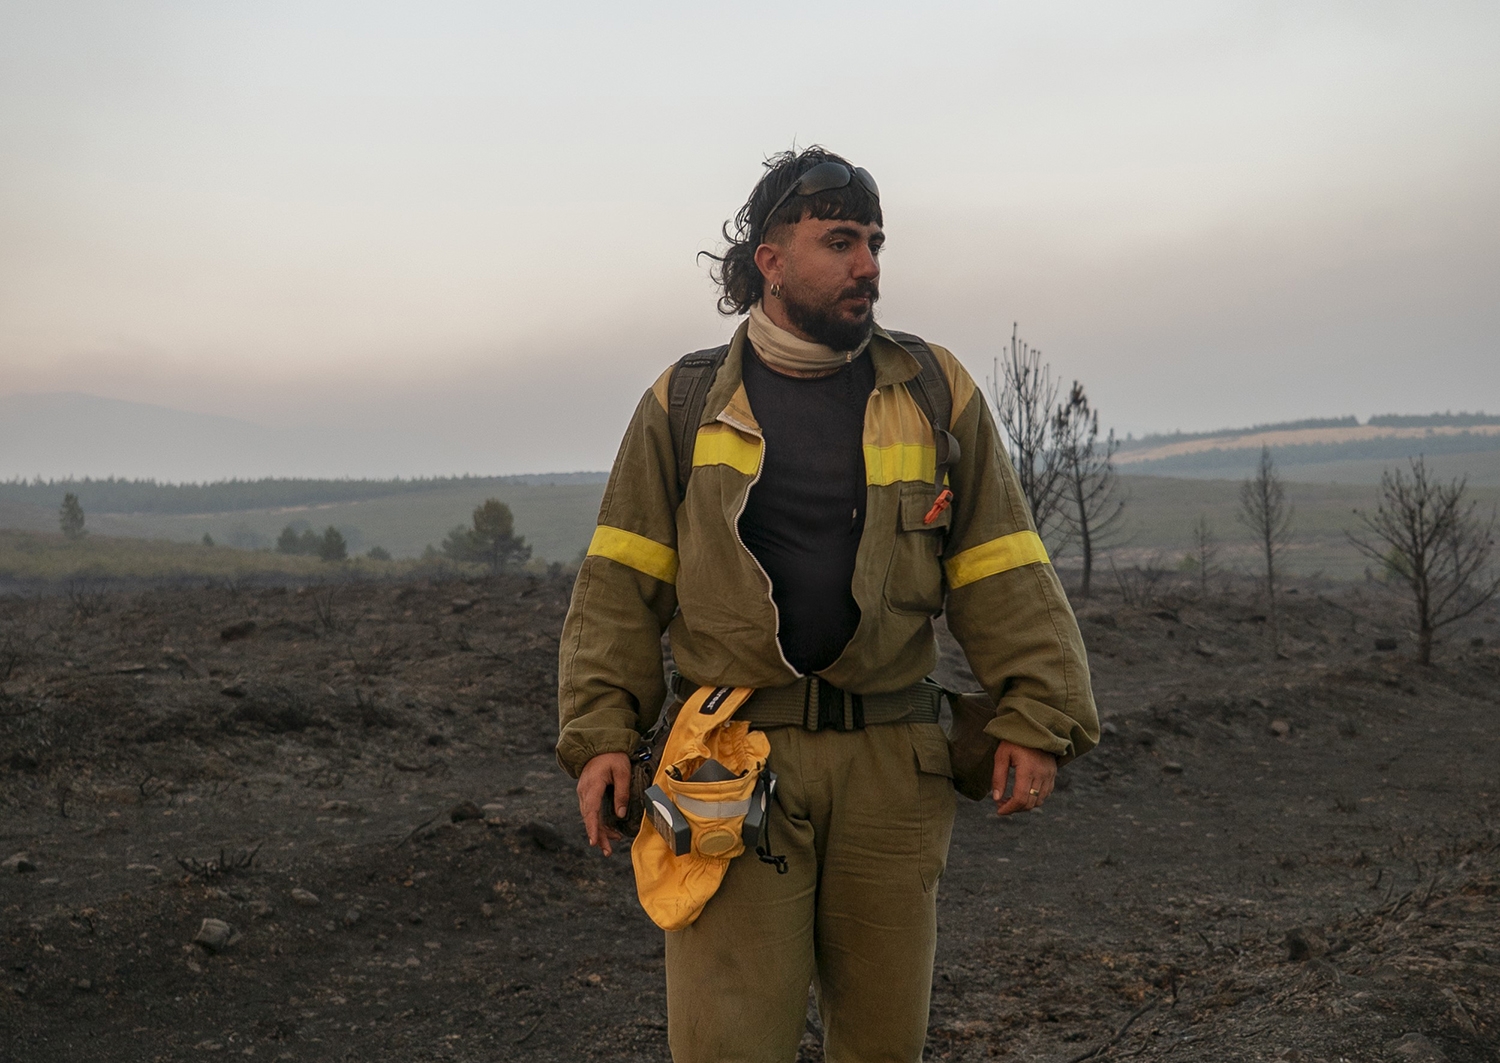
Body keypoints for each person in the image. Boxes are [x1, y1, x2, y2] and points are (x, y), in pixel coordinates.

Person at [556, 146, 1098, 1063]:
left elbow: (1001, 563)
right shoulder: (684, 401)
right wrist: (603, 731)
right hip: (730, 761)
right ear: (769, 260)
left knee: (885, 1044)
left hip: (894, 761)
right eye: (840, 241)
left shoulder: (933, 389)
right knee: (727, 1043)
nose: (869, 266)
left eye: (876, 242)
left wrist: (1038, 714)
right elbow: (620, 580)